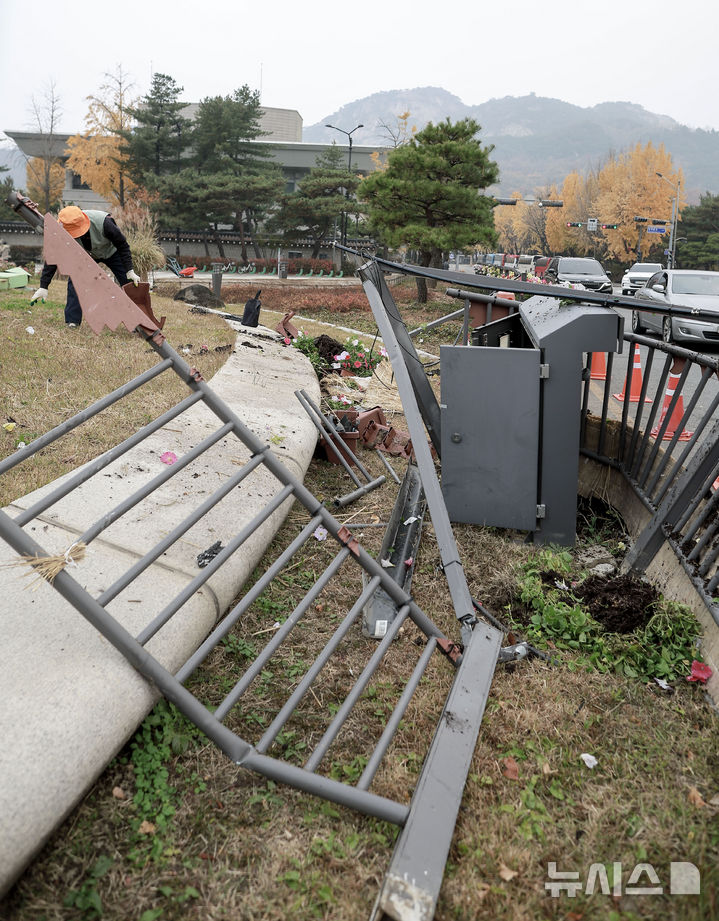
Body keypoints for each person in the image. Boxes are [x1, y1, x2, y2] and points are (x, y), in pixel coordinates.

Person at [30, 206, 140, 328]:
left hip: (111, 252)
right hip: (86, 255)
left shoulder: (104, 222)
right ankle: (73, 321)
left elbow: (123, 245)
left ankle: (138, 321)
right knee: (76, 281)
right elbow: (54, 257)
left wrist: (129, 270)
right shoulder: (61, 229)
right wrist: (43, 286)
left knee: (128, 282)